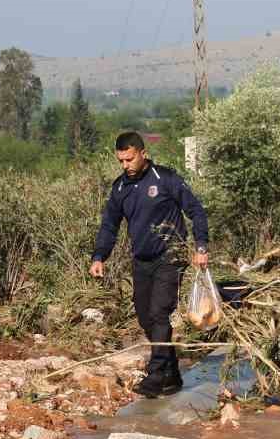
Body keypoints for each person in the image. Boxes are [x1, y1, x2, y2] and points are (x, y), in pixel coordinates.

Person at [90, 130, 211, 397]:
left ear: (143, 154)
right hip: (141, 261)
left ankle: (156, 376)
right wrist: (99, 256)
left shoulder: (165, 178)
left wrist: (201, 245)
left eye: (130, 159)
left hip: (170, 256)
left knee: (159, 313)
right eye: (121, 161)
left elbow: (196, 210)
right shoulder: (120, 188)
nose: (125, 165)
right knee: (145, 318)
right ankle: (172, 372)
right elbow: (109, 225)